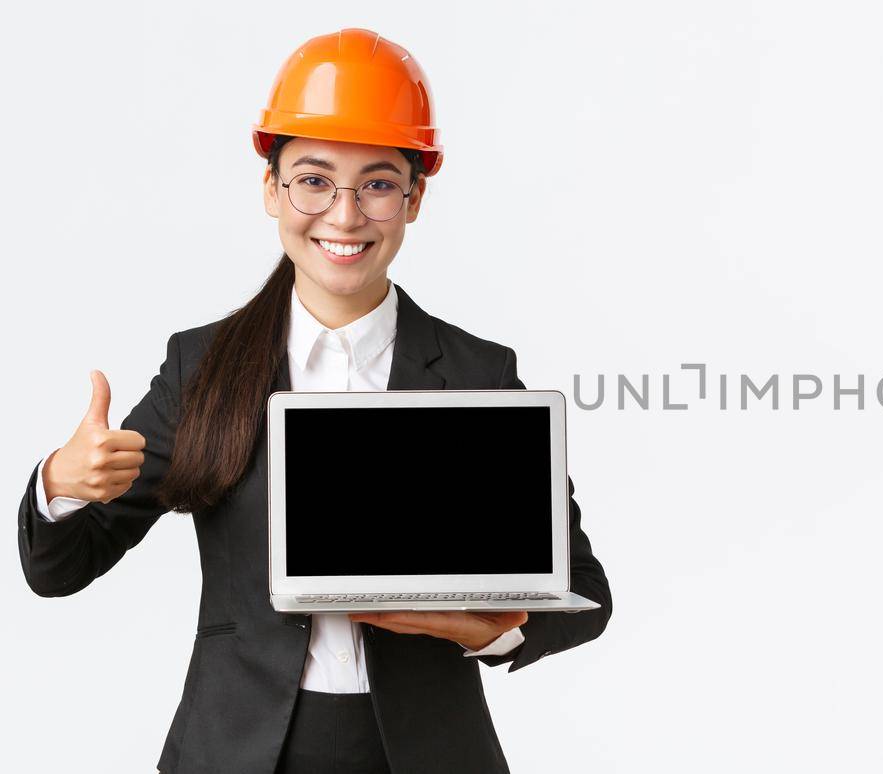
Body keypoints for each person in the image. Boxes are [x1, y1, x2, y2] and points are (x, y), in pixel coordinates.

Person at [15, 28, 612, 774]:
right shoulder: (201, 369)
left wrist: (482, 631)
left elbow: (584, 593)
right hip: (237, 750)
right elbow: (59, 570)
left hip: (426, 753)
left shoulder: (476, 371)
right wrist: (59, 488)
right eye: (314, 179)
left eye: (379, 183)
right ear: (272, 189)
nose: (345, 213)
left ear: (414, 198)